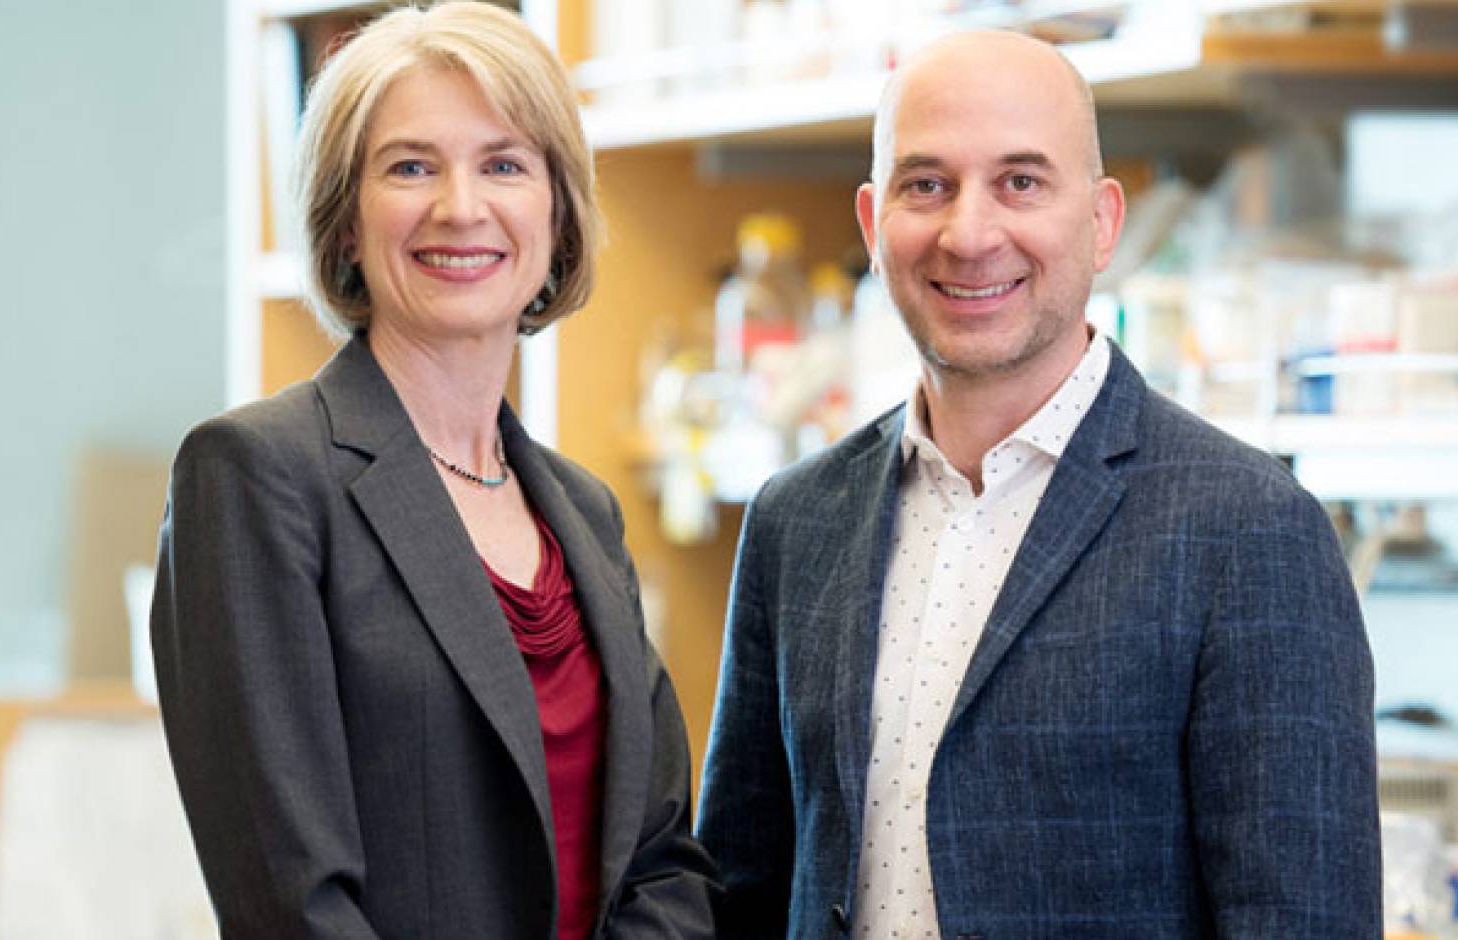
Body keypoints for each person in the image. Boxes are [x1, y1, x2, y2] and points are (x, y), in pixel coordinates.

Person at [697, 29, 1381, 939]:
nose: (969, 233)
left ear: (1101, 223)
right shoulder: (796, 520)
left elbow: (1305, 922)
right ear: (873, 223)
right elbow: (739, 890)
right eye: (926, 185)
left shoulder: (1248, 531)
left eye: (1021, 182)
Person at [150, 5, 716, 938]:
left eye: (504, 164)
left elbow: (660, 860)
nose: (462, 207)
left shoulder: (582, 511)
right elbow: (293, 906)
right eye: (411, 166)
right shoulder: (256, 478)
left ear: (556, 213)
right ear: (343, 222)